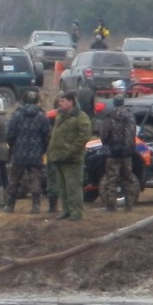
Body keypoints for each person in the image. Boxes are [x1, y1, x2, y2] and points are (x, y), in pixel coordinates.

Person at [48, 93, 93, 221]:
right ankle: (66, 209)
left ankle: (76, 211)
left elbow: (83, 137)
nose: (60, 103)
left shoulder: (81, 118)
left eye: (63, 101)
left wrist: (70, 150)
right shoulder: (60, 116)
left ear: (71, 102)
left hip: (72, 159)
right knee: (62, 187)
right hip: (58, 157)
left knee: (73, 186)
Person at [97, 96, 140, 211]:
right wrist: (128, 147)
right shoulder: (130, 116)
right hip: (127, 154)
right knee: (128, 179)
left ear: (114, 103)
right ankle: (129, 205)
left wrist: (108, 144)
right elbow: (132, 133)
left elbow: (104, 134)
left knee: (111, 179)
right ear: (123, 103)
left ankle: (111, 206)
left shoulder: (109, 116)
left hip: (113, 153)